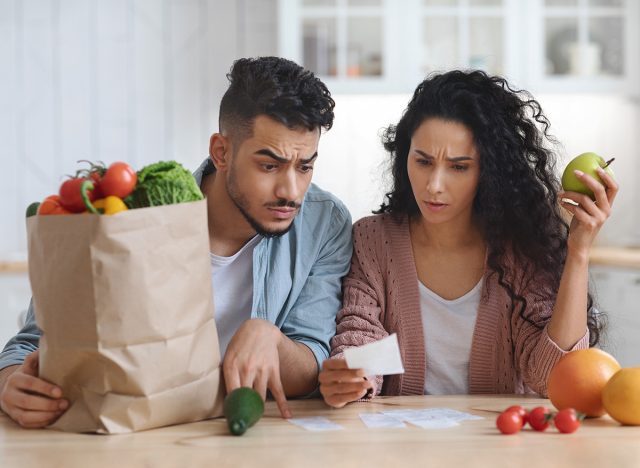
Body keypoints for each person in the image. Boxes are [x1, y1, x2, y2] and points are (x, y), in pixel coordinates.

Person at [0, 57, 353, 427]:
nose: (291, 192)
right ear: (222, 152)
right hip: (121, 435)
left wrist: (271, 338)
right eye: (268, 166)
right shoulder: (133, 214)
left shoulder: (325, 223)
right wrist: (10, 385)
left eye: (304, 166)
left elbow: (313, 364)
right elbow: (29, 345)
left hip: (243, 438)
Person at [319, 70, 617, 407]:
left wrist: (578, 250)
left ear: (488, 172)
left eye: (459, 167)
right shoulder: (373, 239)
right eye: (423, 161)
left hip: (497, 446)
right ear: (405, 158)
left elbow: (553, 377)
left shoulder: (520, 249)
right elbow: (359, 335)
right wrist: (350, 376)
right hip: (399, 445)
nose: (434, 185)